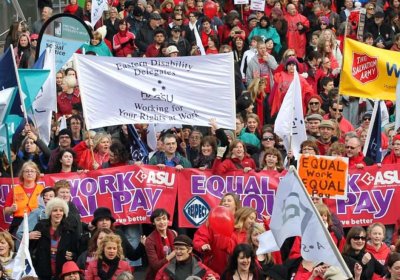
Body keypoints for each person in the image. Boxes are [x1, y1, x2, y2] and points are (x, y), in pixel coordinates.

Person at [30, 197, 79, 280]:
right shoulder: (40, 227)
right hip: (42, 273)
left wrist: (73, 255)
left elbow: (76, 251)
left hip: (62, 274)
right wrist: (29, 237)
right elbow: (30, 248)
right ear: (50, 212)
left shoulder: (70, 230)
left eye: (61, 210)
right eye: (55, 210)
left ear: (64, 213)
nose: (58, 213)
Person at [193, 193, 241, 275]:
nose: (225, 203)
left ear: (236, 205)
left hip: (236, 269)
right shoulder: (212, 222)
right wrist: (202, 245)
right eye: (223, 201)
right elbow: (200, 237)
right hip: (214, 269)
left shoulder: (241, 224)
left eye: (229, 201)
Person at [4, 161, 45, 236]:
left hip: (37, 222)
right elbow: (5, 211)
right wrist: (11, 209)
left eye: (32, 171)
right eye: (27, 171)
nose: (29, 173)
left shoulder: (42, 189)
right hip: (18, 223)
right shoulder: (15, 190)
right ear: (22, 174)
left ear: (36, 174)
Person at [145, 208, 177, 280]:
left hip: (174, 272)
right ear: (153, 222)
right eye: (158, 220)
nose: (162, 222)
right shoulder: (150, 240)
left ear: (168, 220)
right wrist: (171, 255)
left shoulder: (173, 233)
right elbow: (155, 266)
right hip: (157, 276)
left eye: (164, 218)